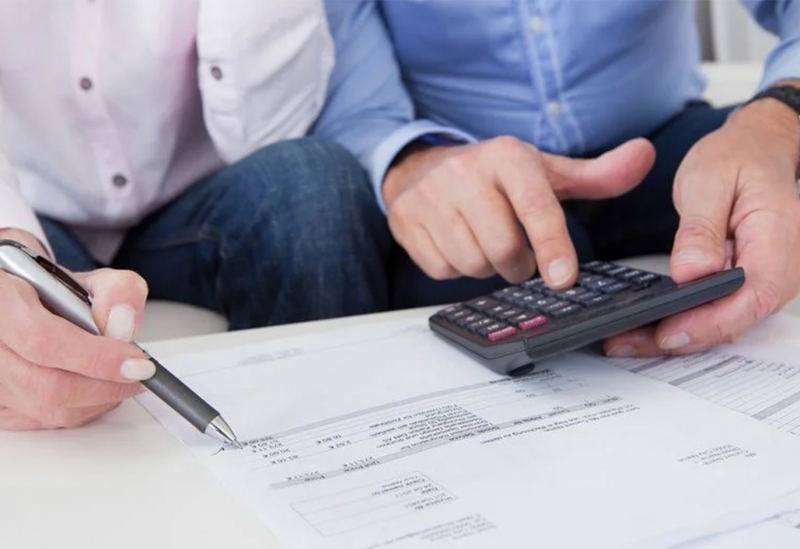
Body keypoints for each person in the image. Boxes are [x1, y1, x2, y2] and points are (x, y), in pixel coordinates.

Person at [315, 0, 800, 359]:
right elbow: (359, 108)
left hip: (660, 143)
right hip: (472, 175)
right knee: (476, 282)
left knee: (776, 179)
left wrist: (779, 119)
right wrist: (414, 166)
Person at [0, 0, 391, 431]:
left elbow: (268, 133)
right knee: (37, 341)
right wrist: (10, 234)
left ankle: (327, 438)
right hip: (36, 211)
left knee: (312, 179)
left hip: (193, 209)